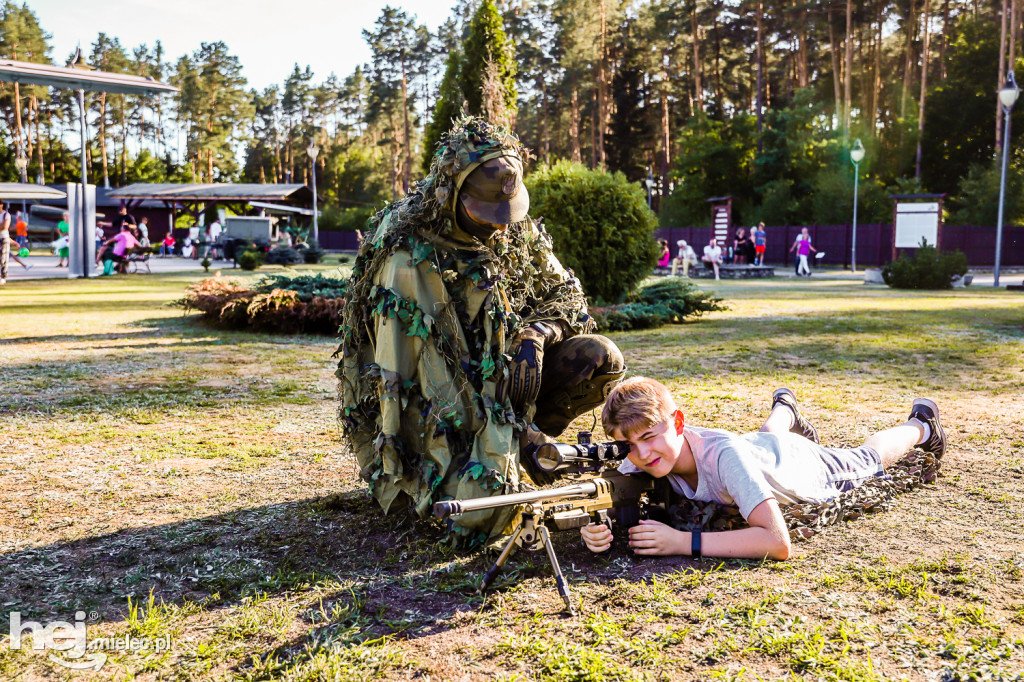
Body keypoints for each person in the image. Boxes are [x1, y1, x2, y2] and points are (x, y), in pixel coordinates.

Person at [336, 117, 625, 546]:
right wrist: (516, 433)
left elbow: (567, 294)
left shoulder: (510, 225)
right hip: (436, 414)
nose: (502, 226)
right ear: (453, 195)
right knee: (485, 512)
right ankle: (506, 455)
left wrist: (537, 332)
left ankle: (525, 451)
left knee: (601, 357)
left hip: (504, 382)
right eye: (488, 214)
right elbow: (436, 386)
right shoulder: (409, 259)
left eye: (508, 213)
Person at [580, 378, 946, 560]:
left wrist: (682, 542)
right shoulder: (642, 454)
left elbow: (777, 542)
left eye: (649, 436)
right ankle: (785, 408)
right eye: (630, 444)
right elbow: (611, 496)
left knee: (867, 458)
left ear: (678, 422)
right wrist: (596, 529)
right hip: (759, 449)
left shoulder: (725, 458)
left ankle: (922, 424)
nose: (642, 453)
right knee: (763, 438)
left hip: (806, 466)